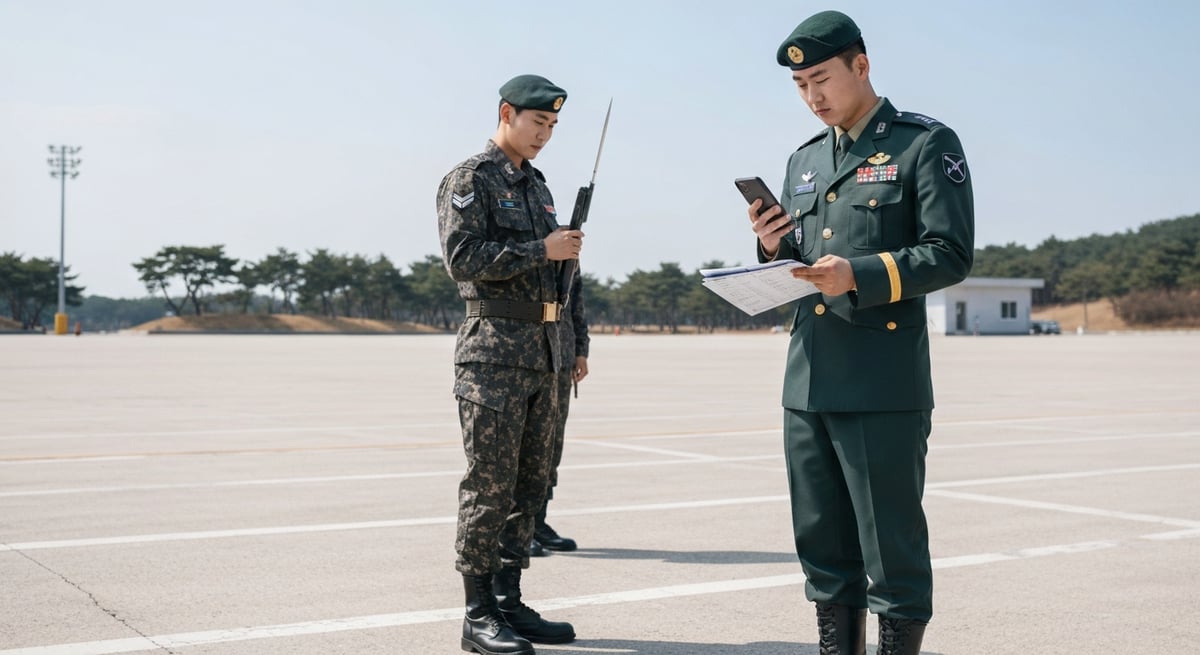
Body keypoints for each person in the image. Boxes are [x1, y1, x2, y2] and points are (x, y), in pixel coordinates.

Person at [745, 11, 974, 655]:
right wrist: (771, 250)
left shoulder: (924, 143)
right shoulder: (805, 160)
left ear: (861, 66)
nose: (813, 97)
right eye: (800, 87)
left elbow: (950, 253)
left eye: (821, 78)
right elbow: (806, 257)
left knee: (890, 550)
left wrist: (860, 275)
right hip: (808, 380)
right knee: (822, 545)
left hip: (881, 381)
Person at [438, 73, 583, 655]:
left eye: (552, 125)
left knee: (530, 485)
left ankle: (510, 599)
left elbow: (557, 276)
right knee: (488, 486)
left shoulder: (537, 185)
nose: (545, 134)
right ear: (506, 113)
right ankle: (477, 614)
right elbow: (461, 257)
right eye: (537, 122)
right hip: (494, 353)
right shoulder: (470, 179)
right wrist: (539, 249)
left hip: (545, 353)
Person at [530, 273, 589, 556]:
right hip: (525, 355)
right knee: (522, 451)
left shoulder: (568, 242)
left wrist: (581, 350)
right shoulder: (532, 237)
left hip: (562, 356)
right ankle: (516, 528)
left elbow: (575, 301)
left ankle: (537, 523)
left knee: (551, 447)